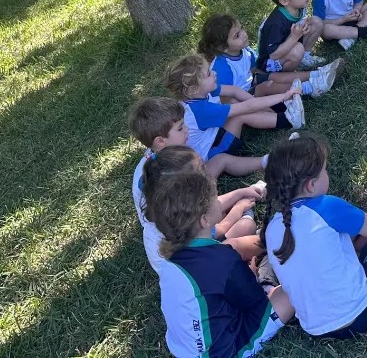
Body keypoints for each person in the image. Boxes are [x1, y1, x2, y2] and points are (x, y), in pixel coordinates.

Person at [263, 133, 367, 339]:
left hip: (316, 329)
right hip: (362, 313)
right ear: (311, 185)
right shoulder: (327, 206)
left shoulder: (271, 228)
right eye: (324, 171)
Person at [147, 169, 294, 358]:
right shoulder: (224, 261)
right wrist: (251, 271)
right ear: (204, 220)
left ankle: (266, 247)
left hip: (182, 349)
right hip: (222, 351)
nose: (219, 201)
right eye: (215, 199)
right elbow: (255, 301)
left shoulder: (171, 260)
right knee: (290, 293)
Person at [127, 99, 265, 273]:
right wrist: (239, 208)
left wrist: (239, 193)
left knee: (224, 212)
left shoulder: (159, 166)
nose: (188, 130)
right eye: (180, 128)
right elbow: (211, 225)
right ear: (160, 141)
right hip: (191, 259)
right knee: (246, 226)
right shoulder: (169, 182)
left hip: (177, 241)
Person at [165, 53, 304, 180]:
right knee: (239, 114)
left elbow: (234, 90)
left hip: (213, 136)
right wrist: (284, 95)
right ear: (193, 89)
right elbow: (247, 107)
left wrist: (268, 108)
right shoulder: (200, 111)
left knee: (233, 102)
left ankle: (281, 113)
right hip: (211, 154)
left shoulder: (196, 95)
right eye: (208, 74)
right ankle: (287, 120)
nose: (214, 73)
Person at [199, 14, 341, 99]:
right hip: (245, 96)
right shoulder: (221, 67)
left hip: (252, 82)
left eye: (241, 29)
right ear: (223, 47)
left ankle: (319, 73)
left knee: (275, 77)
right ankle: (311, 88)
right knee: (268, 86)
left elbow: (254, 69)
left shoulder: (244, 50)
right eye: (237, 35)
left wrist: (268, 75)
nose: (244, 34)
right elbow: (225, 98)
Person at [256, 0, 326, 73]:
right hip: (270, 62)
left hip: (290, 43)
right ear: (284, 1)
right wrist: (295, 37)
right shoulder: (276, 23)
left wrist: (302, 29)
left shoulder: (299, 6)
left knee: (316, 22)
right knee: (297, 49)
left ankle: (304, 57)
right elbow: (273, 54)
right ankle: (288, 73)